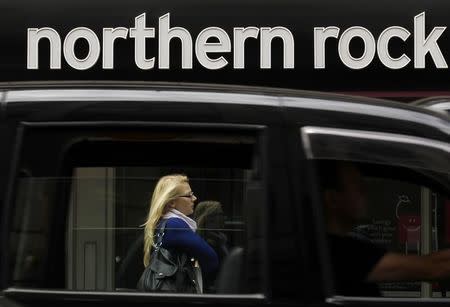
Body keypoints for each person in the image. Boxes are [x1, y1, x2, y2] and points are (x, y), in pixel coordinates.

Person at [321, 161, 450, 297]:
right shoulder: (340, 253)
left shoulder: (333, 248)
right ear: (333, 198)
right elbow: (435, 267)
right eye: (357, 186)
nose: (365, 192)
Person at [141, 174, 219, 292]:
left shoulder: (162, 223)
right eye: (189, 195)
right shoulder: (175, 225)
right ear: (172, 202)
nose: (194, 198)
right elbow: (211, 259)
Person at [193, 200, 229, 292]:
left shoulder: (220, 239)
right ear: (209, 219)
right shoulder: (208, 244)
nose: (223, 218)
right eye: (219, 214)